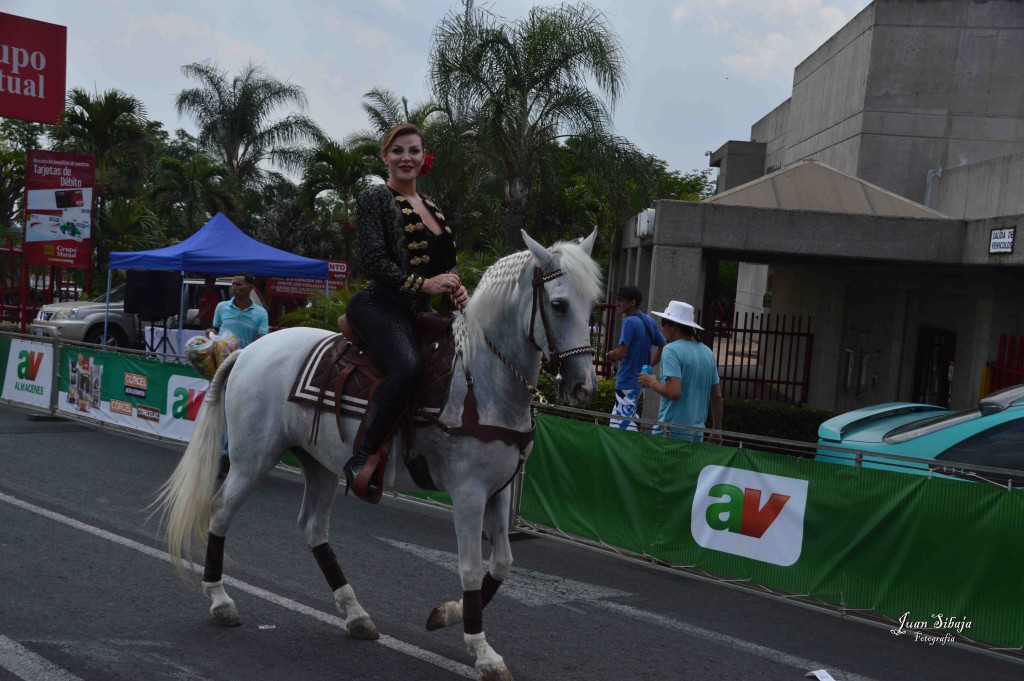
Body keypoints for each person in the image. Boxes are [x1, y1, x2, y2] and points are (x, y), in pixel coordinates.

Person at [343, 123, 469, 503]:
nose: (406, 158)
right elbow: (375, 260)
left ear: (424, 157)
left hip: (420, 313)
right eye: (397, 151)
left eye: (413, 150)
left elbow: (446, 264)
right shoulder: (374, 198)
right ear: (385, 156)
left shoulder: (432, 207)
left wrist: (455, 286)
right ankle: (362, 457)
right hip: (379, 305)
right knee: (408, 366)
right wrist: (424, 286)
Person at [207, 273, 269, 478]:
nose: (234, 287)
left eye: (239, 284)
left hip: (243, 369)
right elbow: (213, 329)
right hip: (220, 368)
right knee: (217, 412)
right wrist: (211, 335)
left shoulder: (260, 313)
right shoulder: (222, 307)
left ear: (250, 287)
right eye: (233, 284)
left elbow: (262, 342)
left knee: (235, 414)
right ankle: (215, 454)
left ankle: (227, 455)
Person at [639, 300, 723, 444]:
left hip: (670, 436)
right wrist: (716, 431)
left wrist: (652, 382)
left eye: (664, 322)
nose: (662, 328)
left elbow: (674, 392)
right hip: (697, 437)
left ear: (674, 326)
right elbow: (717, 396)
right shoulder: (707, 352)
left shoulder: (671, 350)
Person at [606, 284, 665, 431]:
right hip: (639, 381)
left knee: (620, 424)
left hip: (626, 380)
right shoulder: (648, 320)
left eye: (621, 300)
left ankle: (628, 452)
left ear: (632, 302)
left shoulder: (629, 321)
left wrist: (609, 354)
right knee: (627, 417)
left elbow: (621, 352)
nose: (617, 303)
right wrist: (649, 364)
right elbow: (663, 345)